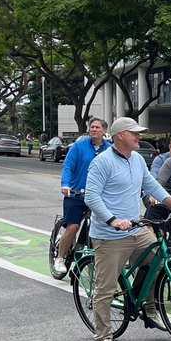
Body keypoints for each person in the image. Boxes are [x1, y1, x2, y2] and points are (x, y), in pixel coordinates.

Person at [83, 117, 171, 341]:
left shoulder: (137, 160)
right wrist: (112, 220)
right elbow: (91, 197)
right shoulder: (102, 162)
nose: (139, 136)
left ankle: (149, 308)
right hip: (110, 235)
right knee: (105, 288)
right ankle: (103, 336)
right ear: (120, 135)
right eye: (135, 133)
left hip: (135, 228)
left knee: (158, 260)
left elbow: (152, 186)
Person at [52, 118, 110, 278]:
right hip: (76, 194)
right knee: (73, 226)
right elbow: (68, 166)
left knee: (103, 227)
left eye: (97, 127)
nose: (94, 129)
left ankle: (94, 259)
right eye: (92, 127)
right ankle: (60, 258)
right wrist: (65, 184)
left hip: (98, 196)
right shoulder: (79, 146)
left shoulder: (109, 149)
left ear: (104, 131)